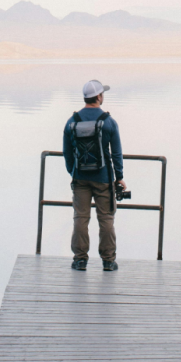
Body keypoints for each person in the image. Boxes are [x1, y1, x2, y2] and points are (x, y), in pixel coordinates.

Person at [63, 79, 127, 271]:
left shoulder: (72, 121)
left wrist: (74, 172)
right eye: (102, 94)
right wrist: (119, 177)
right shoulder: (109, 122)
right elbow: (116, 153)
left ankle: (80, 259)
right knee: (106, 219)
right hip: (104, 179)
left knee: (81, 218)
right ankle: (108, 261)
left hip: (80, 178)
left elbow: (67, 153)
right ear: (99, 97)